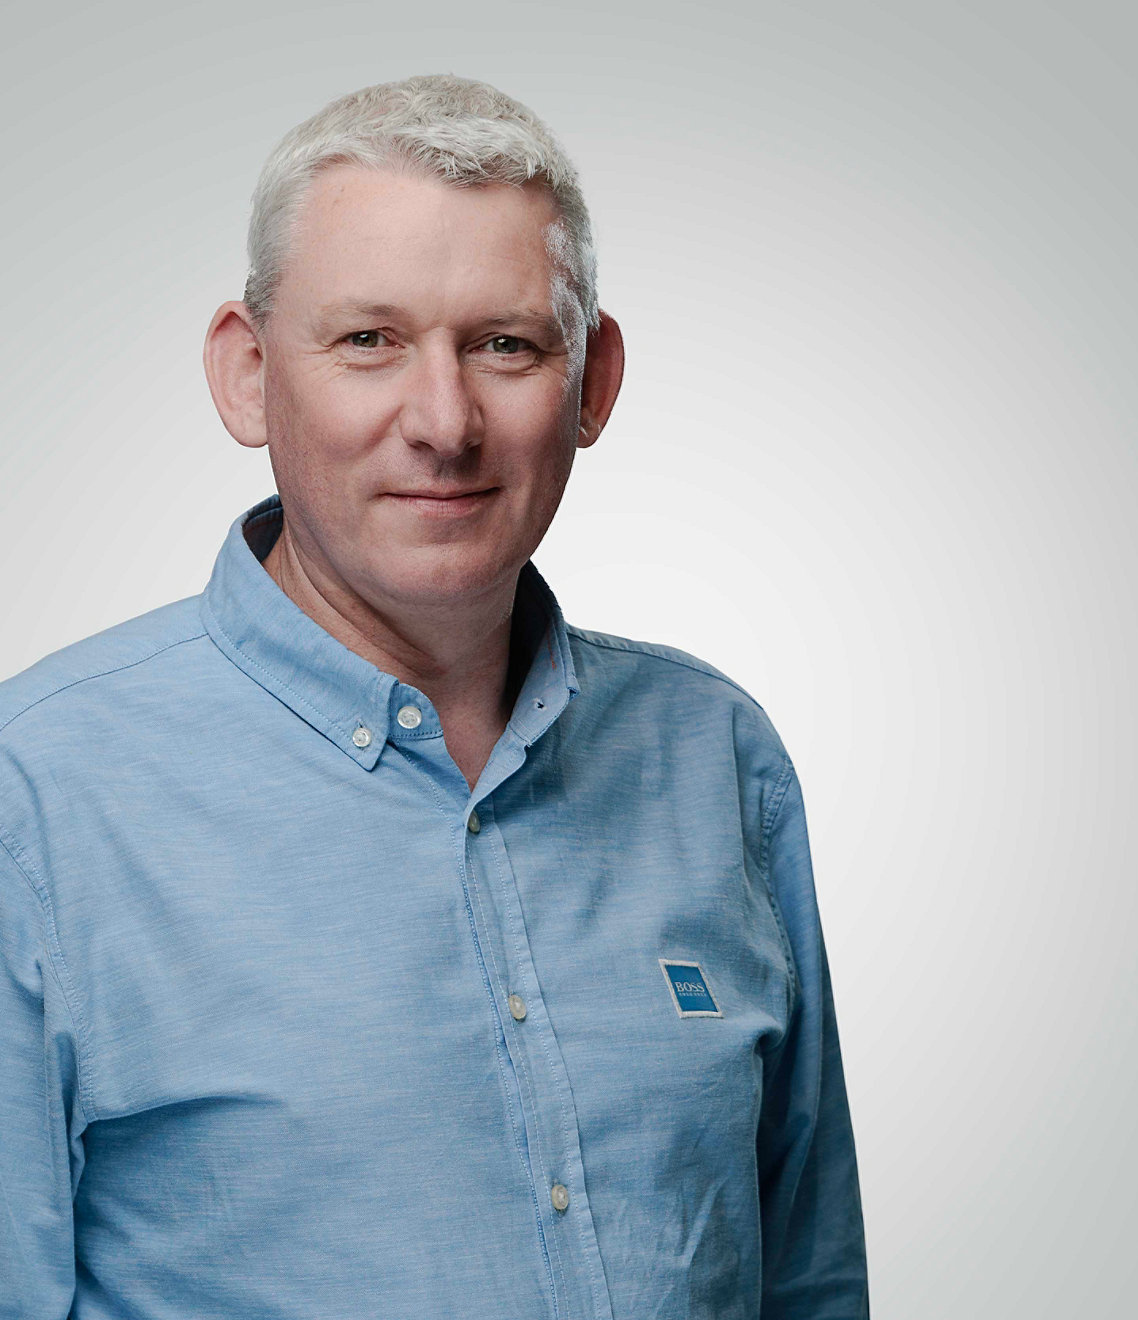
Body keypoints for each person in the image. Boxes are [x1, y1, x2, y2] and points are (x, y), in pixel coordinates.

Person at [0, 73, 869, 1318]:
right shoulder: (37, 799)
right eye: (370, 341)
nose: (445, 422)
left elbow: (813, 1283)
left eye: (505, 345)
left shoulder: (714, 758)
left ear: (592, 381)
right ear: (248, 374)